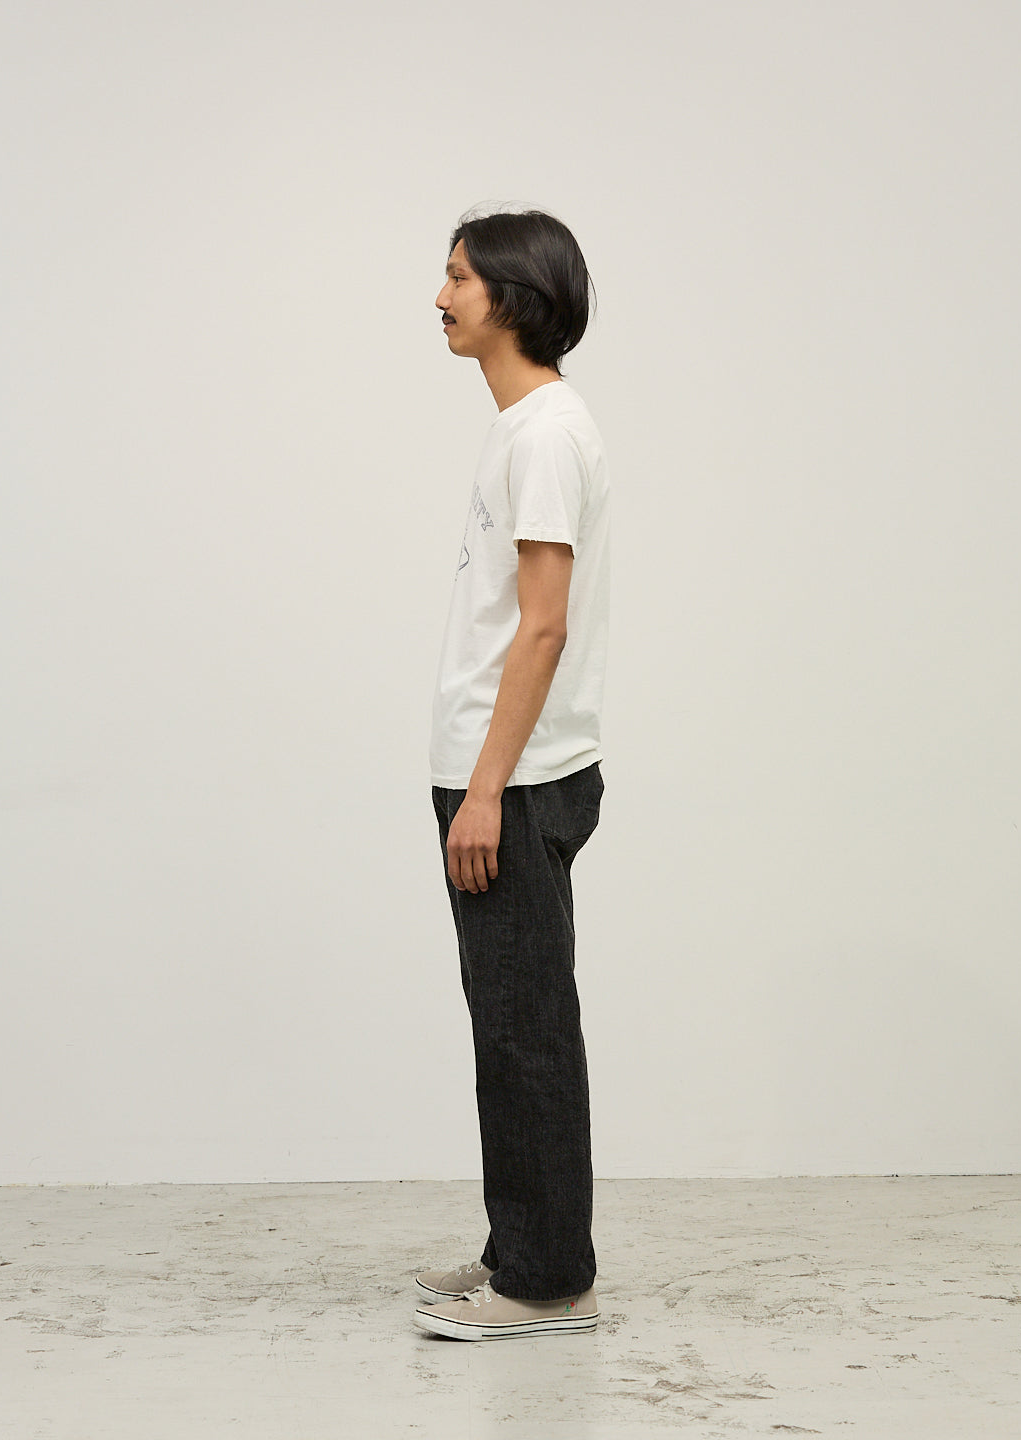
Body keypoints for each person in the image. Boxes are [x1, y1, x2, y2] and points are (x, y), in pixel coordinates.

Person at [413, 208, 612, 1342]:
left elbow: (543, 626)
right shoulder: (527, 427)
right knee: (509, 1021)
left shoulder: (543, 436)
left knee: (525, 1028)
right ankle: (520, 1247)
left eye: (457, 278)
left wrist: (486, 788)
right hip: (505, 768)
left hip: (517, 778)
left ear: (515, 297)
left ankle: (546, 1286)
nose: (440, 297)